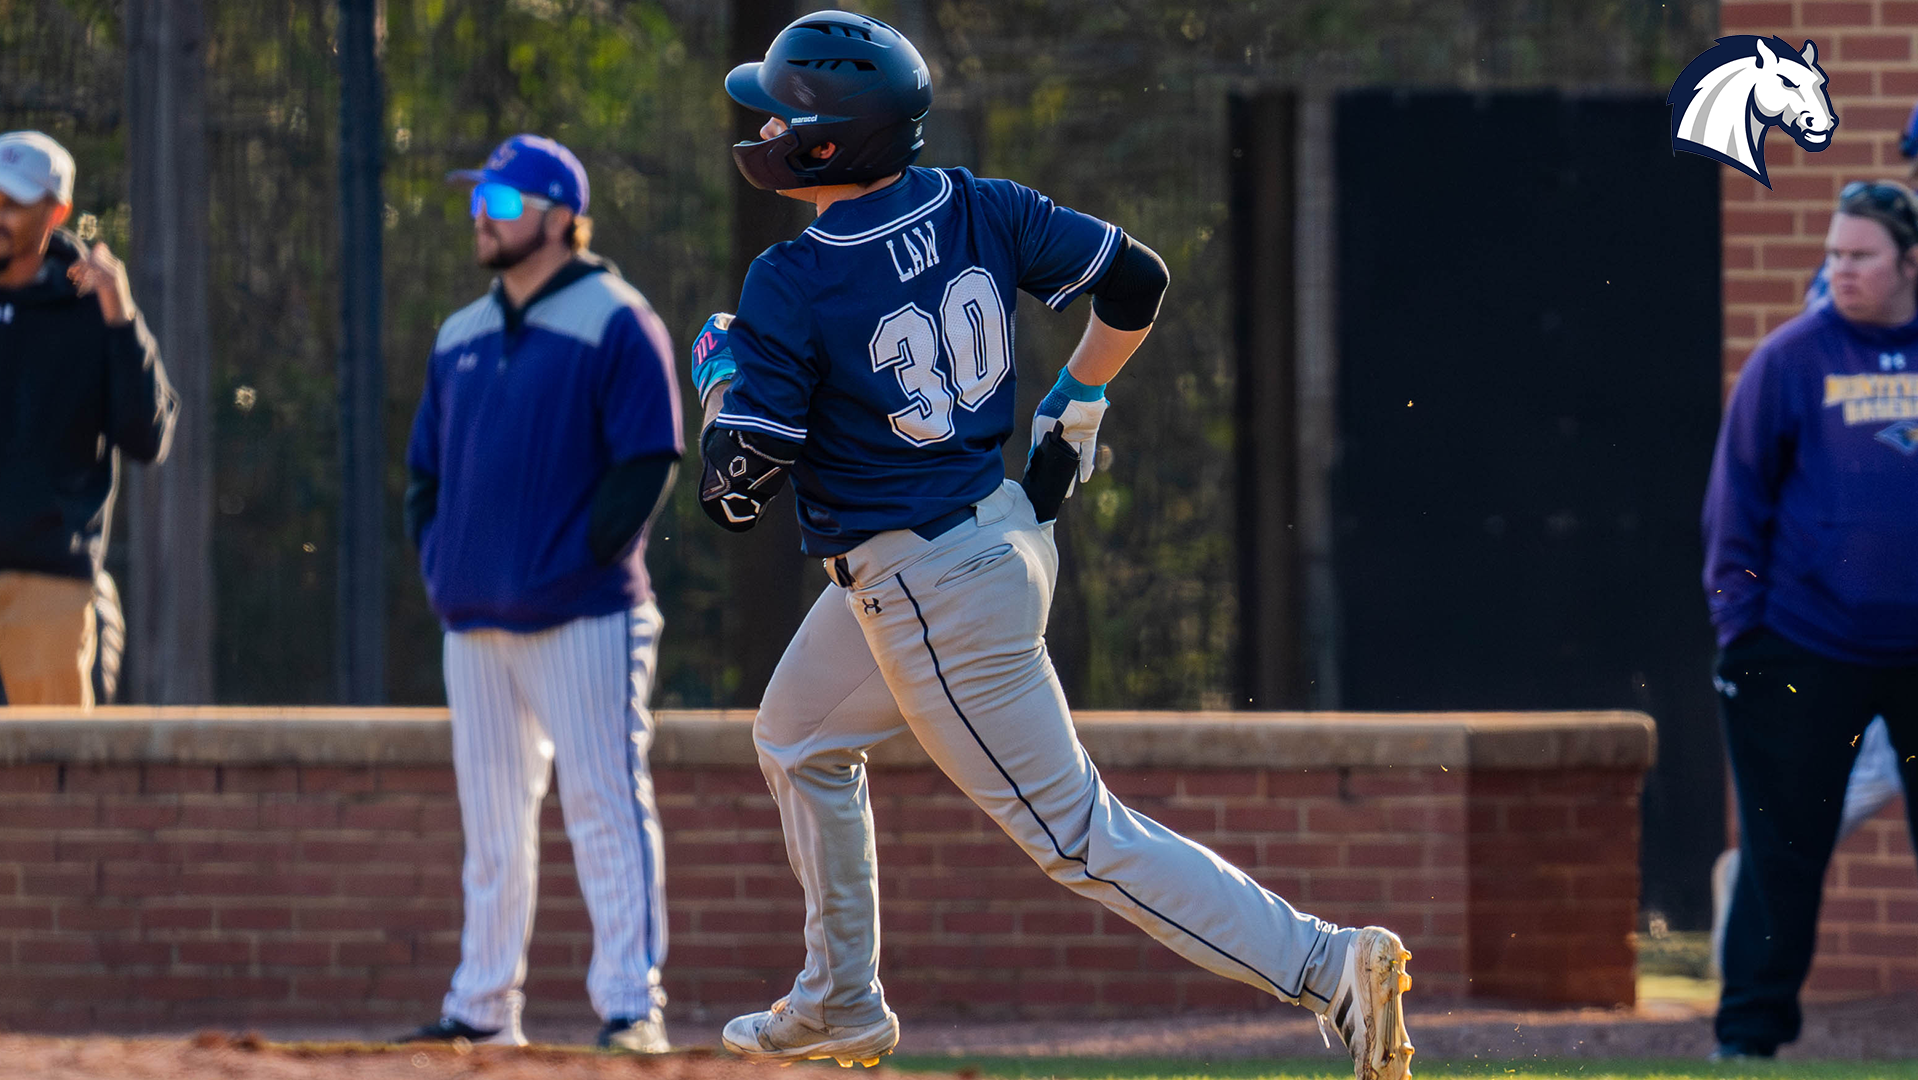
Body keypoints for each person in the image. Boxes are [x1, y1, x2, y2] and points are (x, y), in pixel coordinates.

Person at [691, 13, 1415, 1080]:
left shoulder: (792, 279)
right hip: (993, 535)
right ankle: (839, 1002)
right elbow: (1137, 282)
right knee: (796, 738)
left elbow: (733, 491)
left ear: (825, 144)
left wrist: (715, 375)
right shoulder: (980, 203)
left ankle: (1324, 964)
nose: (762, 121)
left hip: (927, 581)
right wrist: (1079, 392)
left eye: (782, 110)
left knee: (1079, 835)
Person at [399, 134, 682, 1053]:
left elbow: (648, 461)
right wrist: (447, 565)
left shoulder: (618, 317)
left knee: (603, 803)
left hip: (590, 614)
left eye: (506, 203)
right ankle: (482, 1010)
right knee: (491, 825)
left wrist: (576, 557)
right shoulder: (459, 334)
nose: (484, 216)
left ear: (562, 216)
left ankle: (631, 1009)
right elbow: (423, 477)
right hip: (474, 620)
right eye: (478, 200)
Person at [1703, 179, 1918, 1061]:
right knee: (1782, 852)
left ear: (1910, 262)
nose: (1842, 271)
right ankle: (1749, 1038)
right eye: (1833, 254)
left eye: (1860, 256)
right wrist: (1739, 634)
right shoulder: (1791, 360)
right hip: (1803, 646)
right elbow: (1734, 504)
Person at [0, 130, 176, 707]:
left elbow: (147, 438)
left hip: (47, 582)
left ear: (56, 210)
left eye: (14, 202)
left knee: (53, 776)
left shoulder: (92, 307)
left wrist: (122, 321)